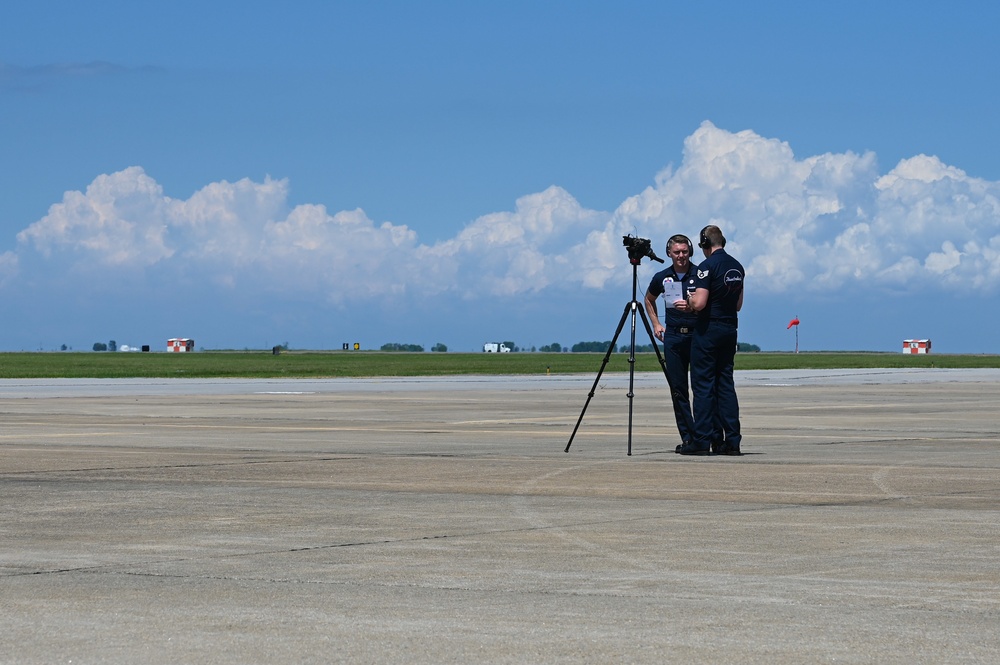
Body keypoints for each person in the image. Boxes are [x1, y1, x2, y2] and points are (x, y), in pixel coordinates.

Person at [678, 224, 745, 456]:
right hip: (730, 328)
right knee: (725, 384)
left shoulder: (706, 267)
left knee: (703, 385)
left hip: (709, 329)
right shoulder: (737, 267)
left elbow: (700, 303)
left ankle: (702, 440)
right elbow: (738, 304)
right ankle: (732, 440)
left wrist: (689, 300)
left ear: (705, 244)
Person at [643, 234, 698, 448]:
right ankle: (688, 436)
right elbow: (649, 299)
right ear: (669, 254)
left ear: (690, 251)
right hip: (674, 336)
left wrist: (693, 307)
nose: (681, 256)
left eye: (684, 251)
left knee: (701, 388)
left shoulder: (700, 274)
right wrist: (656, 323)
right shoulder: (662, 277)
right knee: (678, 389)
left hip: (697, 335)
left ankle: (704, 434)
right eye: (677, 252)